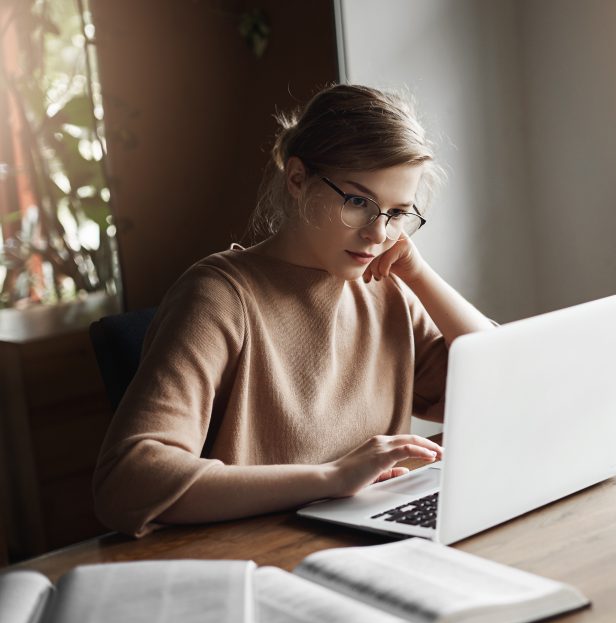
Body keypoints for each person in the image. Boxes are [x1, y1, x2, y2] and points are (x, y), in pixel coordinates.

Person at [93, 84, 494, 537]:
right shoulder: (220, 297)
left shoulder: (387, 289)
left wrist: (420, 275)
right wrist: (332, 478)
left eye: (398, 212)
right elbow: (127, 482)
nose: (378, 234)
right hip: (263, 555)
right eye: (358, 201)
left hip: (376, 543)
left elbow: (504, 386)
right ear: (298, 178)